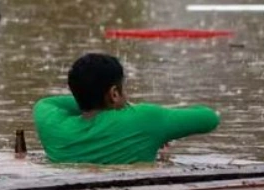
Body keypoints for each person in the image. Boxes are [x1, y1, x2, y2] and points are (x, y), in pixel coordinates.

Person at [33, 53, 220, 165]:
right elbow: (209, 118)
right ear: (114, 93)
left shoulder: (52, 124)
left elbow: (48, 103)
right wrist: (135, 112)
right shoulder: (145, 119)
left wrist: (87, 99)